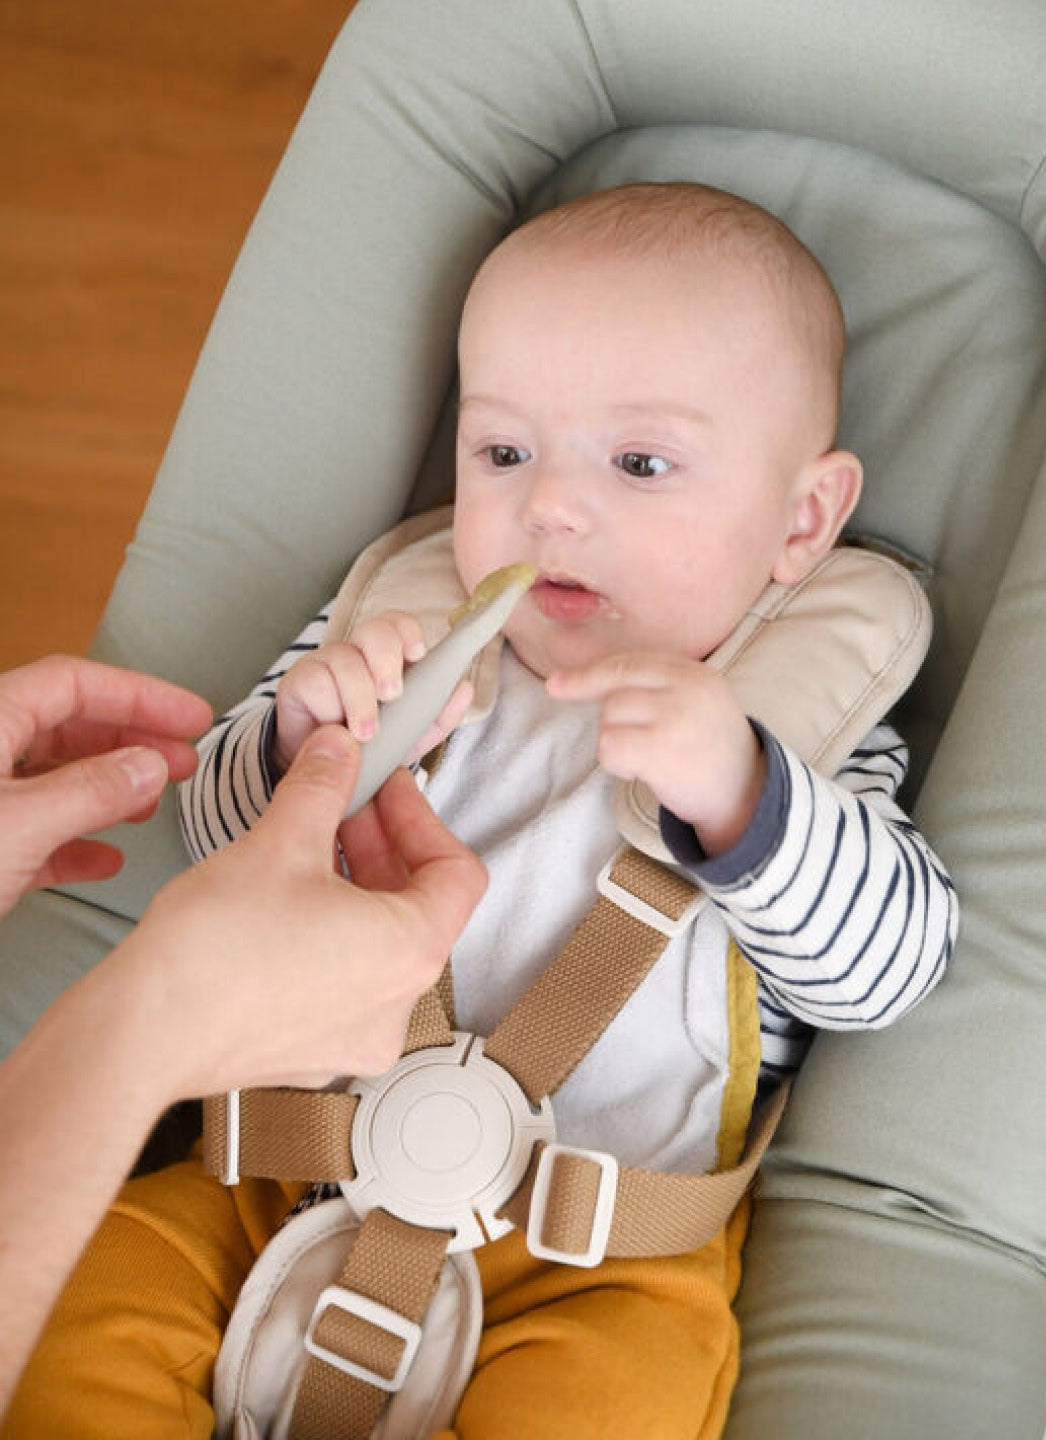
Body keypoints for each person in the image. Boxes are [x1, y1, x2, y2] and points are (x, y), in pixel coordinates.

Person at [8, 184, 958, 1439]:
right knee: (87, 1314)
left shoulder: (803, 731)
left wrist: (741, 800)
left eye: (639, 464)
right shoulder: (408, 640)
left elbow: (891, 971)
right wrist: (305, 738)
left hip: (592, 1257)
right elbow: (225, 851)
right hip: (277, 1179)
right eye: (504, 452)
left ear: (799, 522)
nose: (550, 506)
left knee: (613, 1401)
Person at [0, 654, 487, 1420]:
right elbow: (213, 835)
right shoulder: (397, 626)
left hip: (574, 1258)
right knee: (81, 1329)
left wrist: (736, 811)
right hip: (269, 1180)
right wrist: (288, 754)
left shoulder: (743, 736)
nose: (555, 522)